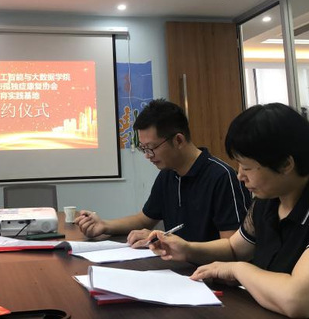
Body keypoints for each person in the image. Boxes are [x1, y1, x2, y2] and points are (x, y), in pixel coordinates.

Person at [148, 103, 309, 318]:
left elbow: (297, 300)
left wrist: (237, 269)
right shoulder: (268, 201)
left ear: (285, 164)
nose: (240, 175)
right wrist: (187, 249)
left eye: (247, 167)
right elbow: (234, 248)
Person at [75, 99, 250, 246]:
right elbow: (144, 219)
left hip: (209, 273)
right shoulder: (168, 173)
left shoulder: (222, 177)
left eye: (151, 148)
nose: (147, 155)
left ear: (178, 140)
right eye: (143, 148)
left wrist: (167, 241)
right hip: (175, 267)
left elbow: (231, 246)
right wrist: (104, 225)